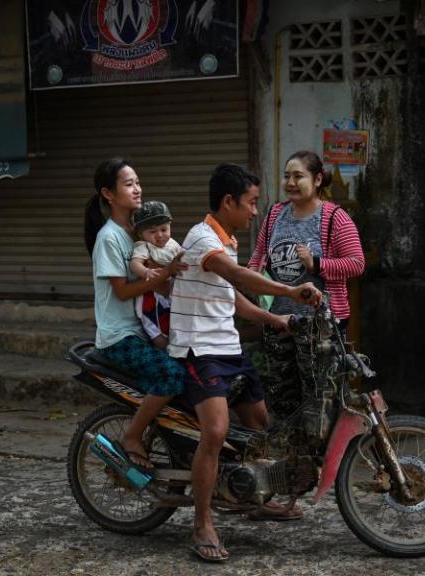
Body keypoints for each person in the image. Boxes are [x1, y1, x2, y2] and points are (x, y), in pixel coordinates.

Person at [168, 163, 322, 563]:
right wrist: (289, 290)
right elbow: (239, 277)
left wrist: (275, 319)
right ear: (228, 202)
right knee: (216, 432)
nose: (256, 211)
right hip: (198, 351)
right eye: (252, 203)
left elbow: (228, 297)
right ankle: (202, 523)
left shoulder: (227, 239)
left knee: (260, 425)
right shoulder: (202, 239)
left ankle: (255, 497)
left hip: (228, 348)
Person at [83, 158, 187, 470]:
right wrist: (164, 273)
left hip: (147, 328)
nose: (137, 189)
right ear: (108, 194)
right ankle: (132, 435)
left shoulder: (142, 231)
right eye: (129, 184)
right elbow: (123, 291)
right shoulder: (109, 238)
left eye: (138, 182)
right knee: (172, 375)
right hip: (120, 336)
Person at [247, 150, 365, 330]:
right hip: (279, 322)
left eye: (298, 176)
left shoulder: (335, 218)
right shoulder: (274, 214)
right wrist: (252, 273)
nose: (291, 183)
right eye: (286, 176)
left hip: (322, 327)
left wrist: (316, 264)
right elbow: (259, 254)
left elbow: (356, 264)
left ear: (317, 180)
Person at [129, 201, 182, 349]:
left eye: (164, 229)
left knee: (173, 324)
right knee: (155, 330)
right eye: (152, 232)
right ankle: (163, 351)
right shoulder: (144, 246)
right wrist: (146, 271)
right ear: (141, 234)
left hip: (171, 292)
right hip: (150, 296)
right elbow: (135, 264)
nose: (159, 235)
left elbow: (183, 259)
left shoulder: (173, 245)